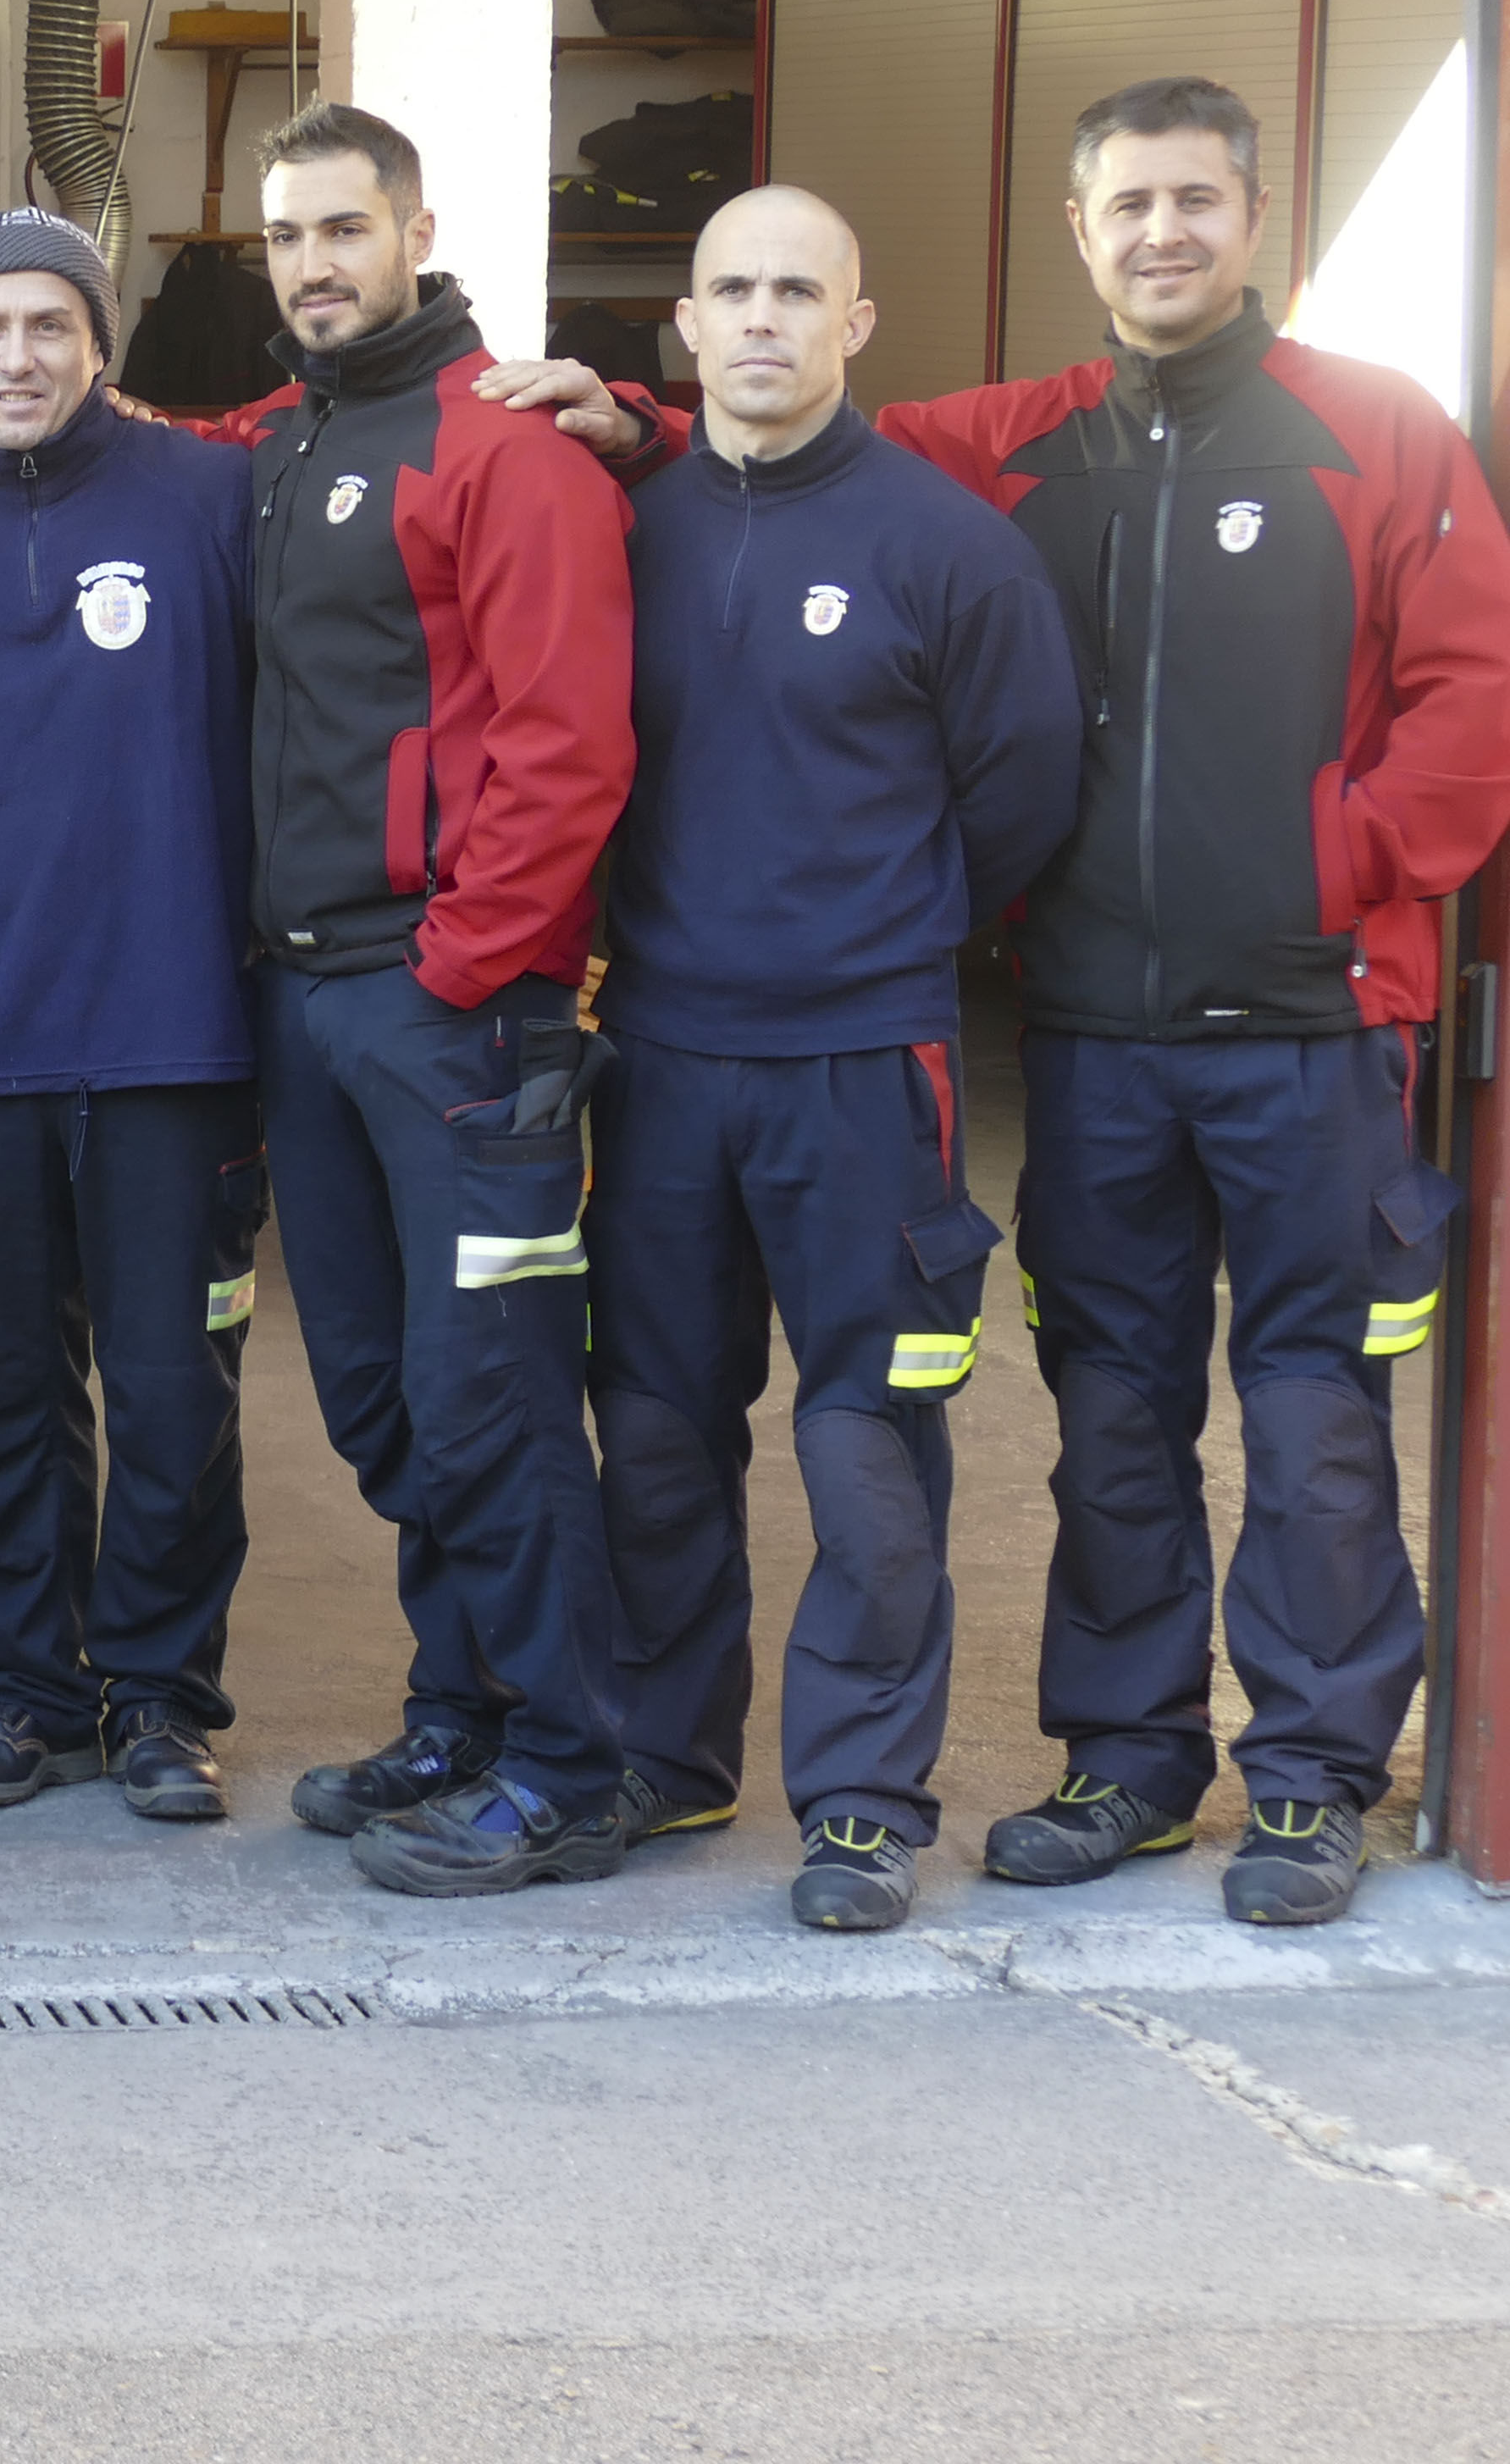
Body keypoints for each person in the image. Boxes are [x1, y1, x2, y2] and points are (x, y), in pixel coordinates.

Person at [506, 80, 1510, 1925]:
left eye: (1196, 200)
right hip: (1098, 1040)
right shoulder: (1014, 445)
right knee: (1114, 1413)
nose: (1162, 234)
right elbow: (785, 425)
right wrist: (632, 417)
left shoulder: (1383, 431)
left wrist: (1328, 873)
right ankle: (1126, 1767)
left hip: (1308, 1024)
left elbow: (1474, 700)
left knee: (1309, 1417)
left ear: (1255, 214)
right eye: (1127, 204)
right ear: (1078, 230)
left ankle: (1307, 1782)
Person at [0, 101, 647, 1897]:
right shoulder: (273, 450)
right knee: (377, 1395)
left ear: (412, 230)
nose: (313, 263)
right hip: (252, 1009)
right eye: (287, 238)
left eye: (342, 230)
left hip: (410, 1006)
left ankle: (553, 1758)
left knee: (473, 1394)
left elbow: (567, 744)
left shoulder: (459, 453)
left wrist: (461, 965)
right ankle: (452, 1716)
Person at [574, 185, 1085, 1933]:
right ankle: (667, 1751)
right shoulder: (620, 530)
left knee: (868, 1441)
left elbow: (1019, 795)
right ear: (688, 331)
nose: (766, 319)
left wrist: (881, 928)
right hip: (655, 1053)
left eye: (801, 289)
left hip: (867, 1064)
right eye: (734, 290)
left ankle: (862, 1802)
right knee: (652, 1428)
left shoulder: (947, 546)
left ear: (858, 323)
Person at [0, 211, 265, 1826]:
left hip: (175, 1031)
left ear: (98, 342)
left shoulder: (209, 503)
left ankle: (159, 1697)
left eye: (47, 324)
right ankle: (27, 1694)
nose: (14, 355)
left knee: (171, 1390)